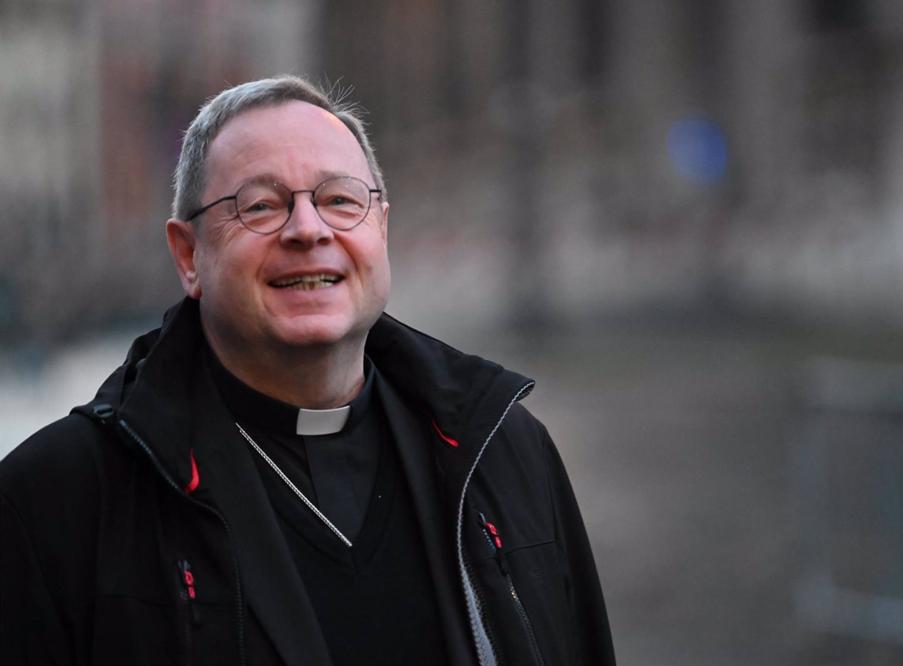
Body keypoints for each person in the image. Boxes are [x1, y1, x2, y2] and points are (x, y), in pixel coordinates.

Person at [0, 75, 614, 665]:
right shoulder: (55, 502)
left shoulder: (506, 454)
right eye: (261, 206)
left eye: (340, 200)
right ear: (189, 256)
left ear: (381, 228)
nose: (308, 229)